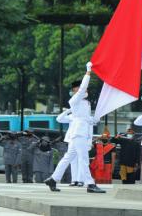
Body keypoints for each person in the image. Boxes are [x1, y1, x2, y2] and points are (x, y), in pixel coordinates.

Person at [44, 62, 105, 193]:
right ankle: (90, 184)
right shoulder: (75, 100)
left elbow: (87, 119)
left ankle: (53, 179)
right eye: (83, 89)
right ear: (76, 91)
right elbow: (83, 88)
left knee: (68, 158)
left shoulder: (84, 103)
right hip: (79, 133)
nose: (86, 91)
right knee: (83, 159)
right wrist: (88, 72)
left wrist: (95, 120)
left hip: (79, 133)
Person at [55, 108, 83, 187]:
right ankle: (74, 180)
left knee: (81, 160)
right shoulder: (72, 116)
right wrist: (67, 111)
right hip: (72, 140)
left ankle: (80, 180)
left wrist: (88, 142)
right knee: (73, 160)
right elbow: (59, 119)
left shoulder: (85, 116)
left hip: (81, 140)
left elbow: (89, 129)